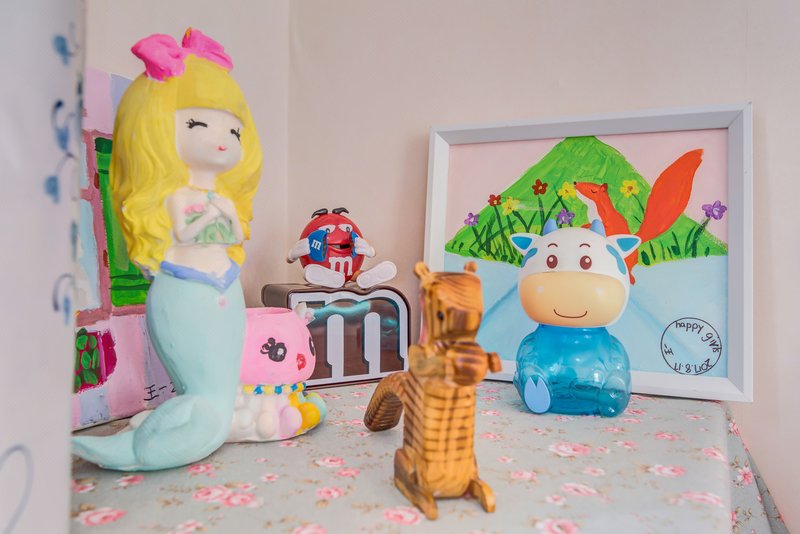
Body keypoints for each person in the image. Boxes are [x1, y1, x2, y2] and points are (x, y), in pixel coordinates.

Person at [72, 28, 262, 470]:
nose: (222, 139)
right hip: (186, 291)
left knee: (219, 384)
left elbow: (227, 232)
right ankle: (152, 441)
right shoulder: (175, 199)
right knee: (200, 387)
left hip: (226, 290)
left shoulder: (218, 200)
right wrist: (212, 224)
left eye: (233, 129)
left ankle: (177, 426)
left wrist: (215, 224)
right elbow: (199, 231)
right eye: (198, 124)